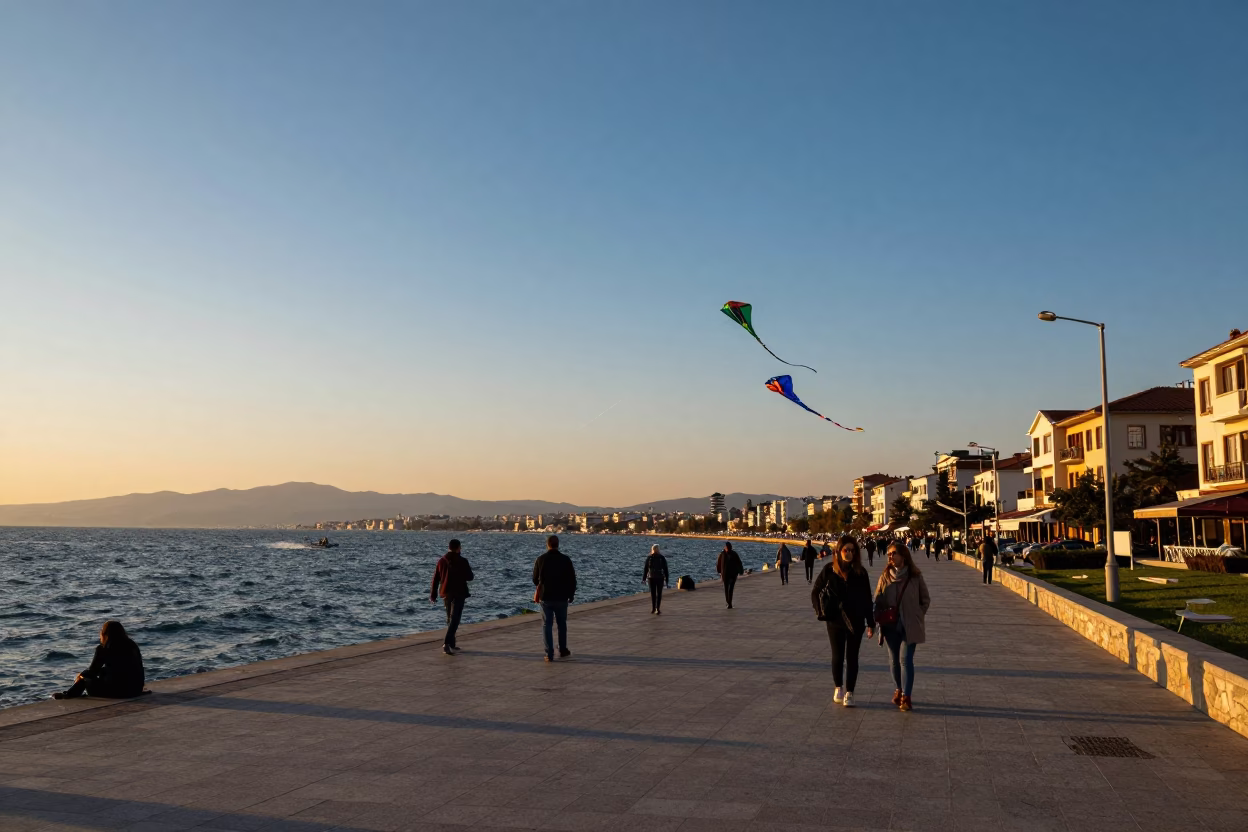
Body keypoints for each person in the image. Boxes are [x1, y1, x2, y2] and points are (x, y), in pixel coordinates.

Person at [812, 535, 874, 708]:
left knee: (852, 657)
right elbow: (815, 591)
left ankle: (850, 692)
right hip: (834, 620)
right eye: (846, 550)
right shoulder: (829, 570)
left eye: (853, 550)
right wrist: (819, 610)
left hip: (856, 621)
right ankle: (838, 687)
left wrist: (871, 622)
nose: (849, 553)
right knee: (837, 656)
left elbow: (867, 599)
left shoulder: (861, 573)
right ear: (838, 551)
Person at [874, 542, 931, 712]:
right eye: (889, 554)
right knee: (894, 660)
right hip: (890, 624)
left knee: (905, 660)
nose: (890, 557)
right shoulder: (885, 576)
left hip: (909, 624)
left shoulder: (915, 576)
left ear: (903, 556)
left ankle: (906, 696)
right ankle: (898, 689)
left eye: (893, 554)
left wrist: (917, 615)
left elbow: (925, 599)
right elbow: (877, 599)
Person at [52, 621, 144, 700]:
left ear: (104, 634)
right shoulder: (132, 645)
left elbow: (92, 672)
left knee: (84, 679)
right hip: (135, 690)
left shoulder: (103, 648)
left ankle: (69, 694)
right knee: (104, 671)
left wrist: (81, 675)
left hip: (116, 693)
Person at [532, 535, 577, 662]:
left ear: (547, 545)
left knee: (547, 625)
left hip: (546, 597)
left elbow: (535, 579)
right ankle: (563, 650)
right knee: (562, 624)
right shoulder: (565, 559)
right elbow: (572, 580)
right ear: (558, 544)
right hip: (562, 597)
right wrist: (571, 594)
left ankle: (549, 653)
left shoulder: (540, 559)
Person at [430, 539, 475, 655]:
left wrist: (433, 595)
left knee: (451, 618)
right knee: (455, 619)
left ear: (449, 547)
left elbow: (436, 579)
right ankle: (447, 643)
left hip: (446, 593)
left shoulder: (441, 561)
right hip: (459, 593)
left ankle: (452, 644)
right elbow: (470, 577)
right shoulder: (462, 561)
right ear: (458, 548)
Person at [643, 544, 670, 614]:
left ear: (652, 549)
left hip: (651, 577)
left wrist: (644, 578)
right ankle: (657, 608)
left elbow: (646, 569)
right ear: (658, 549)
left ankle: (653, 608)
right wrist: (667, 579)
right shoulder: (662, 558)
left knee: (653, 593)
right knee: (659, 593)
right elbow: (665, 569)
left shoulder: (649, 558)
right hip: (659, 577)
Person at [716, 542, 744, 609]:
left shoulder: (733, 554)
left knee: (730, 588)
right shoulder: (722, 554)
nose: (728, 548)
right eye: (727, 547)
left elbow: (739, 563)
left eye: (729, 547)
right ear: (725, 547)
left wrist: (740, 571)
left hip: (733, 574)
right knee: (727, 588)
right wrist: (719, 571)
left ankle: (729, 603)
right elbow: (718, 563)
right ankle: (728, 602)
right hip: (725, 574)